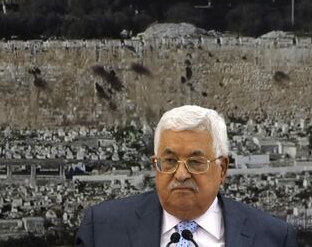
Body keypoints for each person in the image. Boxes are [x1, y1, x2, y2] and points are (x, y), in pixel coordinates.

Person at [76, 105, 297, 246]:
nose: (181, 174)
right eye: (170, 161)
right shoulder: (102, 230)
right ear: (155, 165)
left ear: (222, 169)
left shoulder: (273, 238)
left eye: (195, 162)